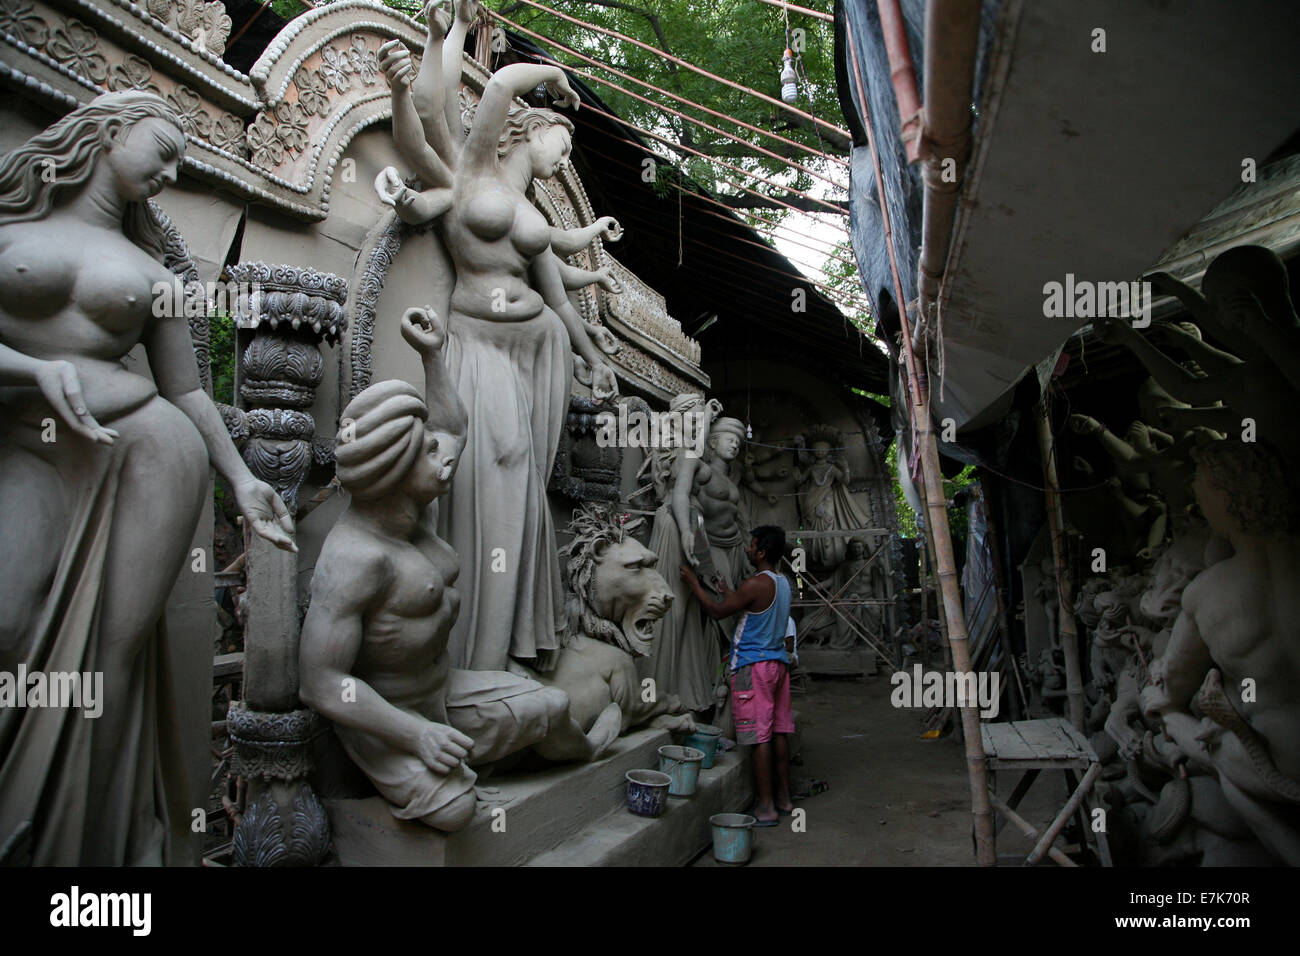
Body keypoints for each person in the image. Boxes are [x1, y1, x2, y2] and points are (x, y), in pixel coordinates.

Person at [0, 91, 296, 865]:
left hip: (147, 456)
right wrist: (35, 373)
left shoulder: (155, 269)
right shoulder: (9, 223)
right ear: (108, 129)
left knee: (112, 658)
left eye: (179, 163)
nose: (170, 171)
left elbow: (189, 391)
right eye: (161, 149)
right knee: (6, 624)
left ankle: (90, 848)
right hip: (28, 447)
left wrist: (239, 479)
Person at [299, 307, 620, 832]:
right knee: (454, 813)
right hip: (388, 717)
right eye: (428, 453)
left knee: (554, 703)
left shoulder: (411, 512)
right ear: (396, 473)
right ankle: (472, 757)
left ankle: (585, 749)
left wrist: (432, 354)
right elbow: (321, 683)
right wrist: (412, 733)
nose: (445, 457)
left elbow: (451, 426)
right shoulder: (355, 559)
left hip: (442, 689)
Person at [374, 0, 621, 672]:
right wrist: (558, 73)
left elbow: (559, 297)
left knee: (520, 477)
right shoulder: (474, 170)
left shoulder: (531, 213)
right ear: (532, 131)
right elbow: (496, 87)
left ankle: (512, 638)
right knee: (492, 461)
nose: (564, 157)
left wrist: (594, 355)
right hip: (476, 344)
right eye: (561, 143)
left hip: (535, 349)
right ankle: (473, 646)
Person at [681, 525, 794, 826]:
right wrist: (730, 594)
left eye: (752, 545)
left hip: (753, 668)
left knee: (759, 738)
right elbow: (754, 609)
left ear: (762, 551)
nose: (747, 549)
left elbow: (718, 613)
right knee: (780, 732)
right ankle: (783, 798)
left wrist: (693, 583)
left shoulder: (756, 584)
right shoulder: (782, 583)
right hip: (777, 665)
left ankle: (766, 807)